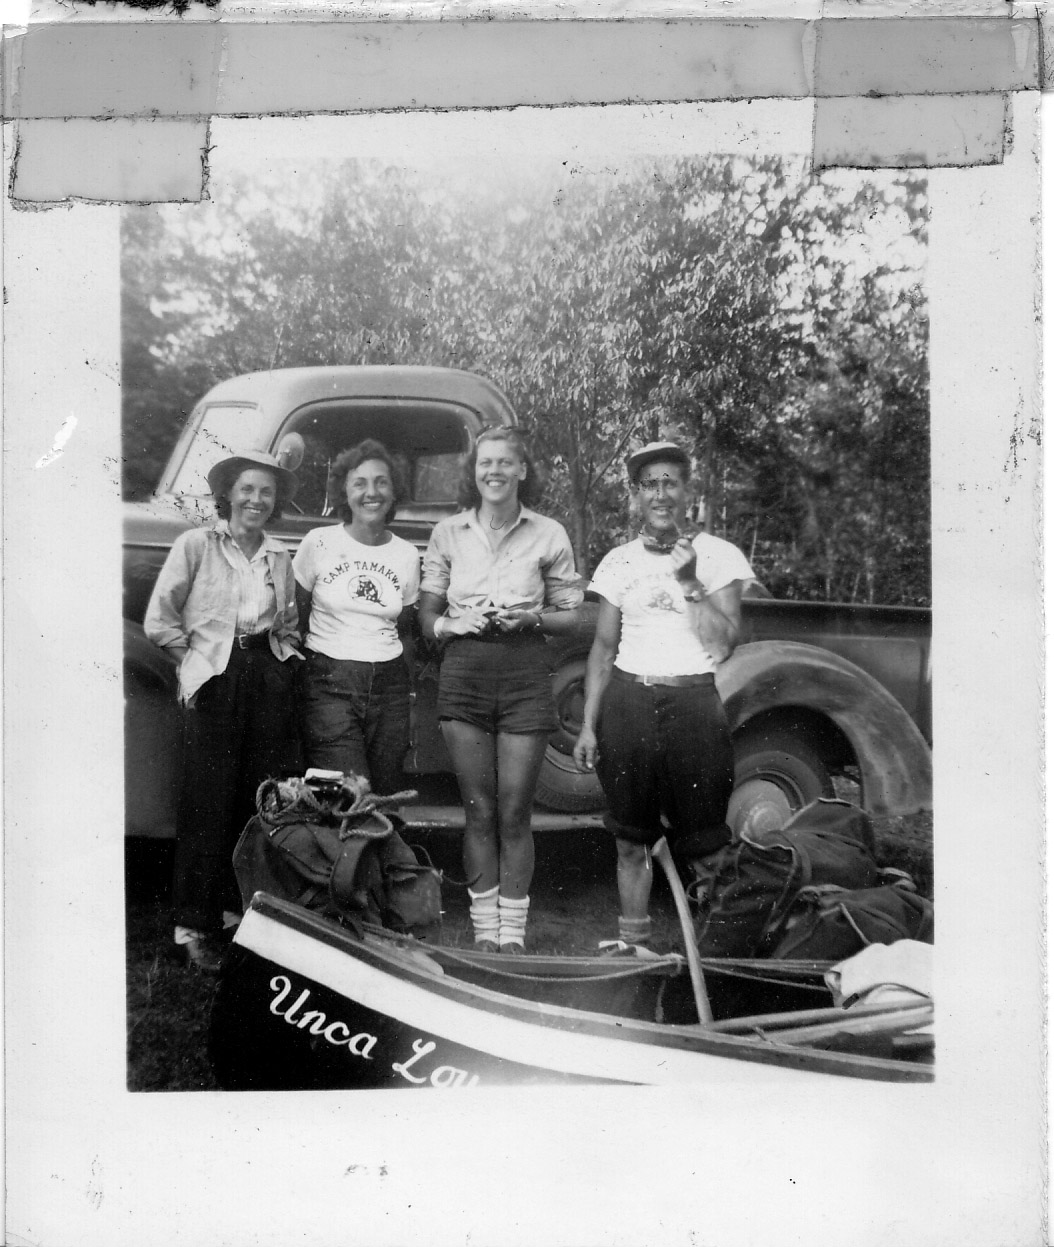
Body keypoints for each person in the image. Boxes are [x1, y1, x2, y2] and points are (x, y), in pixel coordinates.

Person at [572, 441, 755, 954]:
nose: (660, 493)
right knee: (631, 841)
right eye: (649, 484)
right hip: (628, 705)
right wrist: (589, 725)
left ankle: (717, 958)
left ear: (687, 491)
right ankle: (633, 950)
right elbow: (603, 650)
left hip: (694, 706)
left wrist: (689, 578)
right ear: (636, 495)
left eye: (670, 482)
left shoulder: (719, 556)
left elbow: (722, 643)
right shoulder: (617, 561)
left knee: (706, 846)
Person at [419, 426, 585, 953]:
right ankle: (483, 934)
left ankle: (511, 937)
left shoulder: (548, 533)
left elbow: (572, 617)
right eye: (484, 463)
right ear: (476, 472)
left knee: (515, 810)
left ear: (522, 470)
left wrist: (530, 619)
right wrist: (454, 625)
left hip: (524, 675)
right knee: (478, 808)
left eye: (504, 463)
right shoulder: (448, 533)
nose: (493, 472)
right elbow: (427, 616)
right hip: (464, 674)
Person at [145, 450, 303, 973]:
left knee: (253, 801)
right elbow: (160, 620)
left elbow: (287, 623)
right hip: (215, 676)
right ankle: (191, 926)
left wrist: (282, 662)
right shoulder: (196, 544)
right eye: (247, 490)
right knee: (204, 803)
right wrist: (194, 666)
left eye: (266, 493)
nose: (256, 500)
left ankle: (239, 919)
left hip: (264, 676)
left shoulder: (281, 555)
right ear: (229, 495)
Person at [293, 439, 421, 799]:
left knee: (384, 801)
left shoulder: (407, 554)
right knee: (350, 798)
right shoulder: (318, 542)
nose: (371, 492)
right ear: (344, 492)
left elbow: (406, 633)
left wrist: (409, 698)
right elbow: (295, 620)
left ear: (394, 492)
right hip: (329, 684)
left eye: (381, 482)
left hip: (390, 689)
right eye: (359, 483)